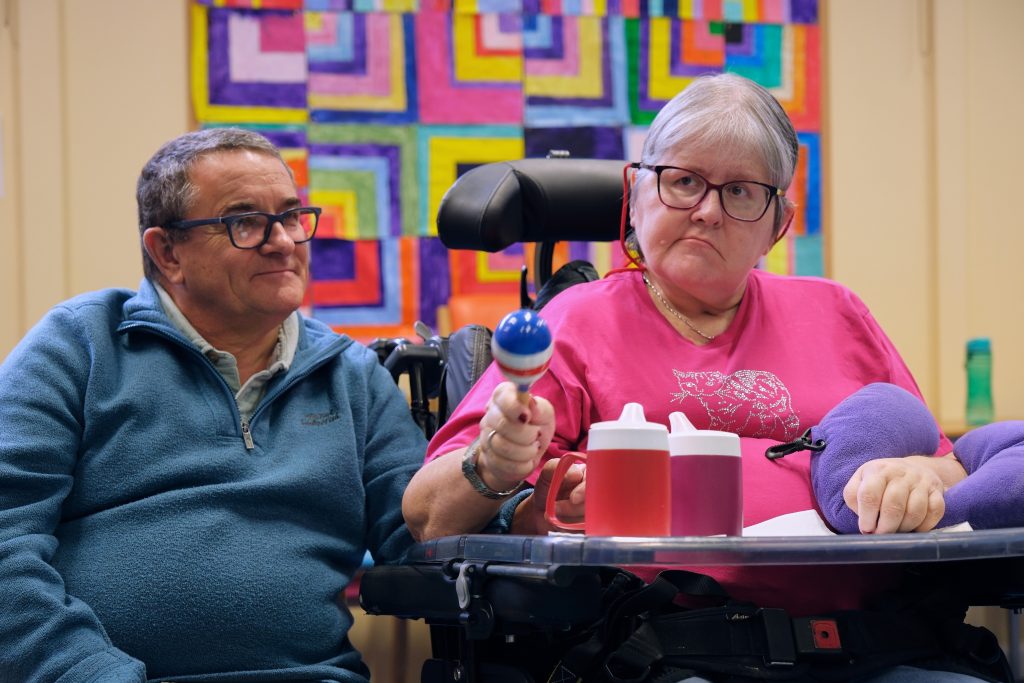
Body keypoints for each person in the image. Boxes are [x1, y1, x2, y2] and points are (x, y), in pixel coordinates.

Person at [401, 74, 999, 681]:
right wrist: (496, 469)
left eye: (740, 191)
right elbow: (428, 518)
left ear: (779, 222)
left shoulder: (838, 313)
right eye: (684, 182)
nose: (708, 212)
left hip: (876, 645)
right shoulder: (573, 323)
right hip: (666, 650)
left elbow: (950, 469)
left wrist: (916, 477)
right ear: (636, 192)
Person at [0, 128, 427, 682]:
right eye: (244, 221)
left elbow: (422, 536)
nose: (283, 242)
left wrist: (497, 481)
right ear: (166, 251)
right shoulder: (80, 344)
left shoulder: (350, 374)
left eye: (292, 216)